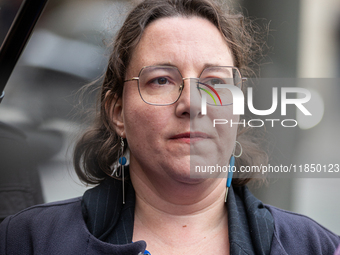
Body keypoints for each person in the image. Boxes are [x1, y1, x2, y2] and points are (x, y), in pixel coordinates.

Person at [0, 0, 339, 254]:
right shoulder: (30, 240)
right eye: (161, 80)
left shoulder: (313, 247)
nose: (192, 102)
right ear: (117, 111)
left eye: (215, 82)